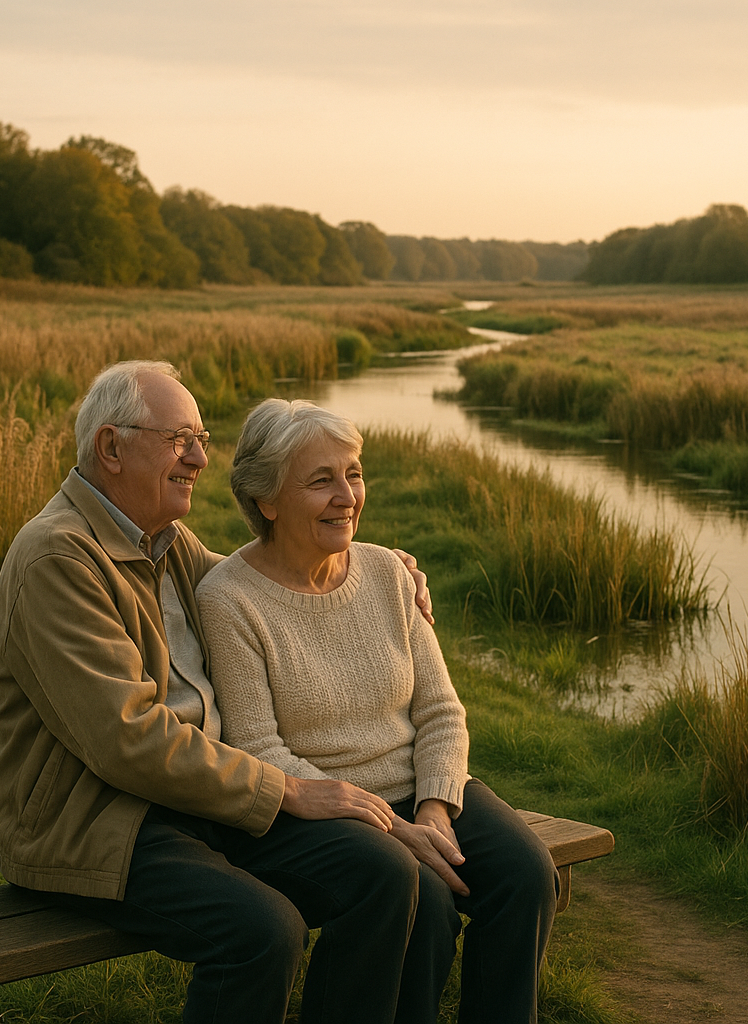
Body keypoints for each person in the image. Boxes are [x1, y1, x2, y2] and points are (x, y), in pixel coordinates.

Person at [0, 360, 435, 1024]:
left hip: (199, 801)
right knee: (262, 930)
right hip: (100, 825)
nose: (200, 456)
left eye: (200, 436)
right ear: (111, 448)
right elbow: (126, 739)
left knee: (386, 873)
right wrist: (287, 789)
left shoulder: (165, 539)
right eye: (179, 440)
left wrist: (368, 569)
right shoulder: (59, 559)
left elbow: (268, 584)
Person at [196, 398, 559, 1024]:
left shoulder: (390, 571)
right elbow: (258, 747)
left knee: (527, 876)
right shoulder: (229, 600)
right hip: (319, 811)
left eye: (354, 473)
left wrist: (435, 810)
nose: (347, 496)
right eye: (321, 480)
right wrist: (396, 830)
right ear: (267, 500)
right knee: (424, 900)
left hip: (421, 793)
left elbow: (442, 710)